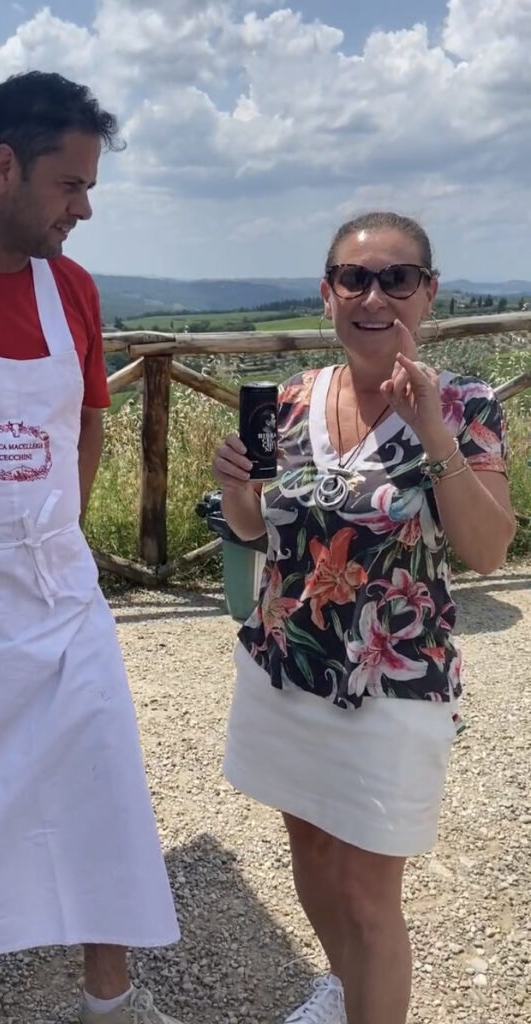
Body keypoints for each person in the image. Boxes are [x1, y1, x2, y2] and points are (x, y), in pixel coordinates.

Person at [0, 71, 183, 1024]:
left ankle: (110, 998)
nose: (84, 209)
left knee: (100, 791)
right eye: (71, 185)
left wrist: (53, 531)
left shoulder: (75, 291)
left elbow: (84, 424)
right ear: (5, 167)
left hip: (58, 601)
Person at [212, 211, 516, 1024]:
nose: (374, 296)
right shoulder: (289, 401)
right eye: (355, 278)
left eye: (396, 278)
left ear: (428, 293)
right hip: (285, 667)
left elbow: (487, 549)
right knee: (311, 851)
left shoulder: (465, 404)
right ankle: (344, 990)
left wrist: (431, 430)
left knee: (370, 895)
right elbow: (256, 532)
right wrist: (238, 489)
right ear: (328, 294)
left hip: (395, 681)